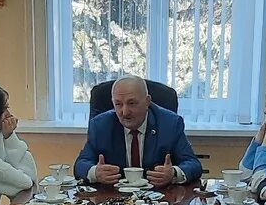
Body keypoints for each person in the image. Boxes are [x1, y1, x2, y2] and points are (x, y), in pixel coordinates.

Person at [74, 75, 202, 186]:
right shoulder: (100, 126)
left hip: (157, 202)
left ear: (147, 102)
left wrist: (173, 173)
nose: (125, 112)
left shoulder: (170, 123)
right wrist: (95, 173)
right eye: (118, 104)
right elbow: (80, 165)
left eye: (132, 103)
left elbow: (193, 164)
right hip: (113, 202)